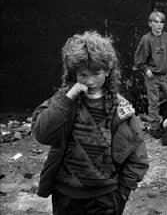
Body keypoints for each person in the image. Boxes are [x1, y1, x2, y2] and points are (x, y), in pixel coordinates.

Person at [32, 31, 149, 215]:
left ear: (108, 70)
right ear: (74, 73)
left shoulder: (120, 109)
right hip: (66, 195)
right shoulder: (64, 101)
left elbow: (138, 157)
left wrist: (122, 194)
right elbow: (42, 134)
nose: (90, 81)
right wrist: (68, 97)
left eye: (96, 73)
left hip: (105, 198)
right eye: (83, 74)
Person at [134, 11, 167, 139]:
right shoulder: (146, 39)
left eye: (162, 22)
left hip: (165, 75)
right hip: (152, 76)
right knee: (153, 103)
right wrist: (145, 69)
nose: (159, 25)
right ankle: (154, 127)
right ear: (150, 24)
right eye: (156, 22)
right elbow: (139, 59)